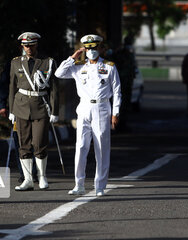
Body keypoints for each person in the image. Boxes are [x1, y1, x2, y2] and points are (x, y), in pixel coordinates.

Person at [55, 34, 121, 196]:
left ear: (100, 48)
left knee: (101, 148)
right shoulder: (78, 66)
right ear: (84, 49)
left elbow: (117, 91)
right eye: (88, 48)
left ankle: (99, 186)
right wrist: (72, 57)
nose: (91, 51)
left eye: (94, 48)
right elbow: (58, 73)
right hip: (84, 107)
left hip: (102, 107)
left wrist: (116, 112)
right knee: (81, 146)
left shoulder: (109, 66)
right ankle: (79, 184)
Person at [8, 32, 59, 191]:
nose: (29, 48)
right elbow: (12, 87)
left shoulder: (47, 62)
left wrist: (54, 111)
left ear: (37, 45)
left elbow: (54, 89)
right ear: (22, 46)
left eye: (32, 45)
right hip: (21, 107)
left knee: (39, 143)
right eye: (26, 45)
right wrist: (11, 110)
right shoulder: (16, 62)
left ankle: (42, 177)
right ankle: (28, 180)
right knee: (24, 144)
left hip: (41, 106)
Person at [0, 61, 38, 184]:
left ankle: (35, 173)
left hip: (36, 108)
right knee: (21, 141)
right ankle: (25, 174)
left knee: (36, 141)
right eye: (25, 45)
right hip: (17, 108)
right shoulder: (13, 64)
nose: (28, 47)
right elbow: (4, 85)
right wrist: (2, 105)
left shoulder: (40, 63)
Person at [113, 35, 137, 131]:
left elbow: (132, 68)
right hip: (122, 82)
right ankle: (119, 124)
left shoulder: (130, 54)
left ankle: (123, 123)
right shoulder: (120, 54)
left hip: (128, 82)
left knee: (126, 103)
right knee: (121, 104)